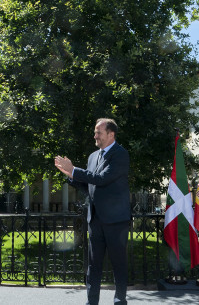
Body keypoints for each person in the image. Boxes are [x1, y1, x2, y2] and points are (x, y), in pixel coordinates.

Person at [54, 118, 131, 305]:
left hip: (116, 222)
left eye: (99, 132)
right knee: (93, 266)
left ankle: (120, 301)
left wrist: (75, 170)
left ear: (111, 134)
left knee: (118, 265)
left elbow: (102, 179)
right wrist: (71, 175)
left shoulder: (120, 155)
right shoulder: (92, 156)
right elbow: (90, 185)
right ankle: (91, 302)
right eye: (95, 132)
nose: (95, 136)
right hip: (95, 220)